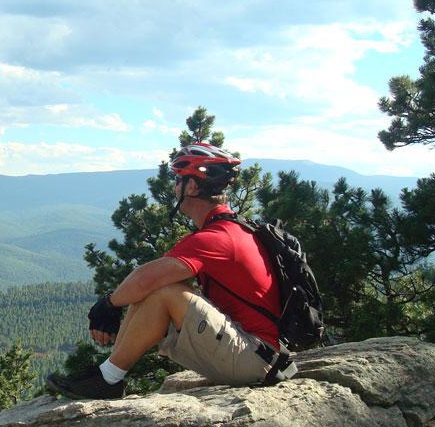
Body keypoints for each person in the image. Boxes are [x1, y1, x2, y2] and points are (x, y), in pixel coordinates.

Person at [47, 142, 295, 400]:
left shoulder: (216, 237)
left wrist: (108, 304)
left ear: (192, 186)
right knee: (156, 290)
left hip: (255, 359)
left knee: (164, 292)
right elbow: (147, 281)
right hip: (256, 352)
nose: (174, 186)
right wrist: (114, 303)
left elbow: (148, 277)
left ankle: (108, 379)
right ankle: (107, 375)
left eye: (179, 179)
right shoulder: (232, 229)